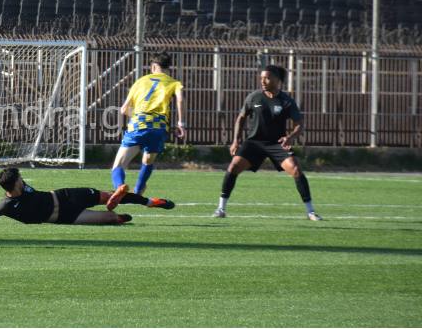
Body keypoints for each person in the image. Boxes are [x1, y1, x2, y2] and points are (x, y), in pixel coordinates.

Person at [212, 64, 322, 221]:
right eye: (261, 78)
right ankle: (221, 209)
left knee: (296, 169)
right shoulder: (254, 97)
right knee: (233, 167)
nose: (263, 81)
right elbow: (241, 118)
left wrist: (290, 137)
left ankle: (311, 212)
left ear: (277, 80)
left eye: (267, 78)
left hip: (277, 143)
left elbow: (300, 124)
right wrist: (236, 140)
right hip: (254, 143)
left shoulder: (286, 101)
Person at [0, 167, 175, 226]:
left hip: (67, 195)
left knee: (108, 197)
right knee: (111, 218)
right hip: (65, 217)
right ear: (14, 184)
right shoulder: (6, 205)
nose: (22, 179)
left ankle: (150, 202)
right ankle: (116, 214)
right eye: (19, 178)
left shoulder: (22, 185)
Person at [110, 52, 185, 196]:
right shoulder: (174, 83)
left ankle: (120, 186)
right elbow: (180, 100)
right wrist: (181, 123)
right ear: (168, 67)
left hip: (138, 124)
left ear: (154, 66)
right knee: (148, 160)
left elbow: (124, 109)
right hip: (159, 127)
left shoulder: (140, 81)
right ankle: (139, 189)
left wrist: (140, 117)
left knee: (118, 165)